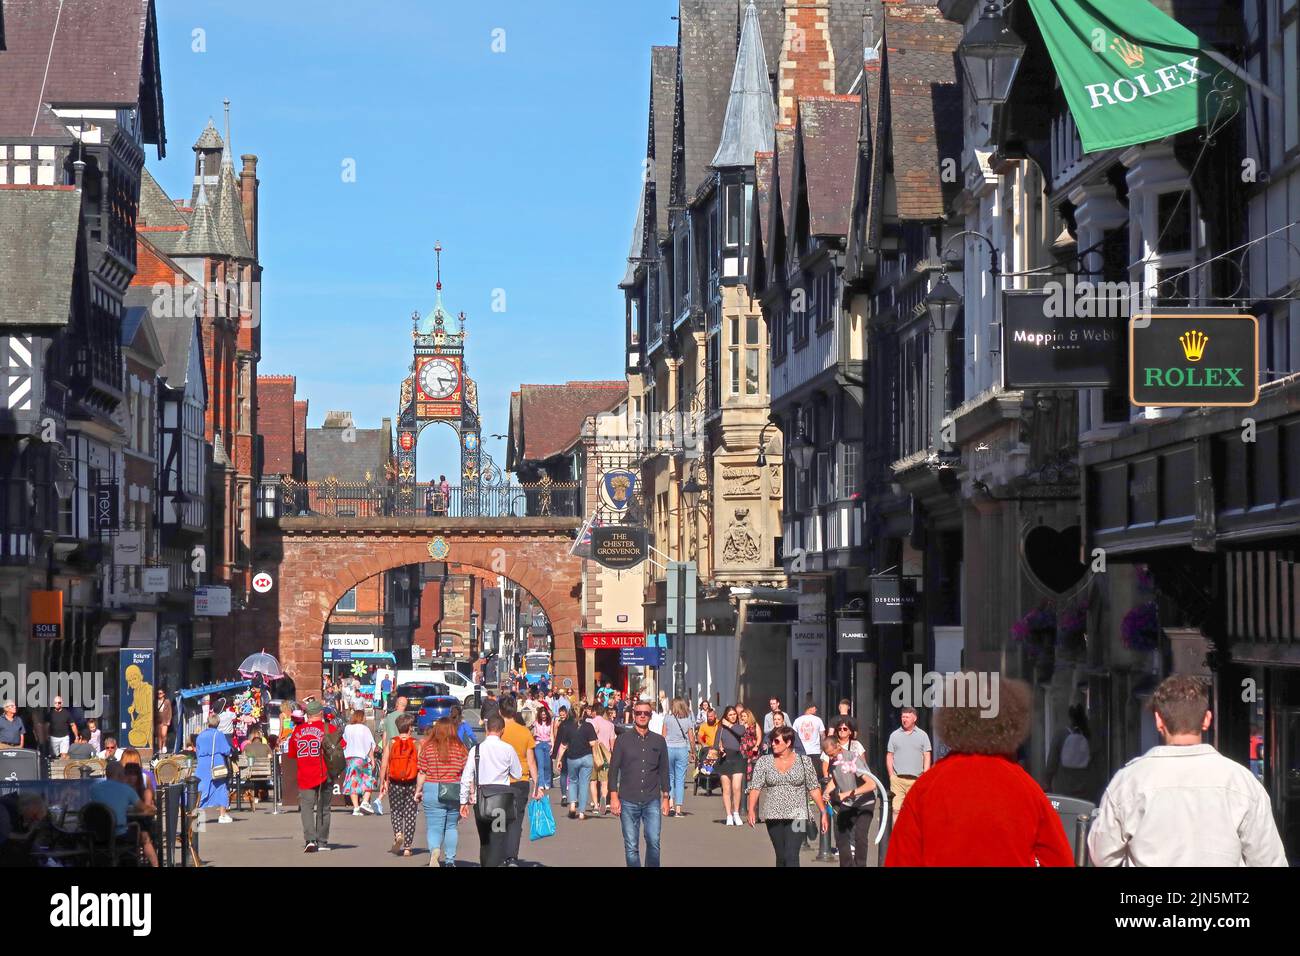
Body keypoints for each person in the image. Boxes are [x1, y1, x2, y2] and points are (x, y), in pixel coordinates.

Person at [1088, 674, 1287, 867]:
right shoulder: (1242, 782)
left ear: (1159, 720)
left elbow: (1102, 856)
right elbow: (1268, 860)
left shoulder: (1128, 782)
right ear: (1207, 719)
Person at [886, 677, 1072, 867]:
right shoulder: (1028, 790)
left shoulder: (926, 788)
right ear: (1010, 726)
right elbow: (1059, 859)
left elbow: (901, 859)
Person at [745, 726, 826, 867]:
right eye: (771, 741)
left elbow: (813, 787)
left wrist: (823, 811)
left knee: (792, 855)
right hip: (773, 815)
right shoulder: (764, 762)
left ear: (788, 743)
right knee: (781, 855)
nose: (772, 744)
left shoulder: (804, 761)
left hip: (798, 814)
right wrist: (751, 809)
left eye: (776, 741)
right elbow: (756, 787)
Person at [609, 700, 670, 867]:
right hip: (628, 800)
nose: (642, 716)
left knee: (654, 841)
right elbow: (613, 770)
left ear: (651, 716)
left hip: (652, 799)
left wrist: (666, 796)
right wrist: (613, 797)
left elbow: (664, 770)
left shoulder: (659, 741)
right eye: (638, 713)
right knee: (631, 846)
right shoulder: (622, 740)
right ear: (633, 715)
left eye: (646, 713)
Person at [460, 714, 522, 868]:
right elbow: (517, 773)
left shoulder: (476, 749)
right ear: (502, 730)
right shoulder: (508, 749)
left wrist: (463, 801)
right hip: (501, 800)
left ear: (487, 729)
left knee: (485, 839)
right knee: (497, 838)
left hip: (481, 799)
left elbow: (467, 776)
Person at [416, 716, 469, 866]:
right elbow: (466, 772)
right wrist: (469, 793)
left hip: (432, 788)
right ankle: (450, 860)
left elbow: (422, 772)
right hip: (454, 788)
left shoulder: (428, 747)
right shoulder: (461, 748)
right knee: (451, 826)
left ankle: (434, 850)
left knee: (434, 826)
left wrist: (418, 790)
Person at [288, 699, 339, 852]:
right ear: (321, 713)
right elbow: (342, 746)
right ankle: (322, 841)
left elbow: (292, 753)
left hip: (305, 773)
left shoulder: (298, 730)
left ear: (307, 714)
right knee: (324, 808)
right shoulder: (329, 728)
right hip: (324, 772)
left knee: (307, 808)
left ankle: (310, 840)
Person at [821, 733, 878, 868]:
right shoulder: (834, 762)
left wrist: (848, 793)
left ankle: (860, 865)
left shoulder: (853, 758)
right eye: (828, 755)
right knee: (841, 835)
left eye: (832, 754)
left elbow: (871, 784)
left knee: (860, 836)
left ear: (838, 746)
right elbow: (835, 779)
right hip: (848, 802)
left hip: (865, 801)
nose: (830, 757)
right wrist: (826, 791)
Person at [497, 697, 539, 866]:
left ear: (500, 711)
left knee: (499, 819)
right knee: (516, 821)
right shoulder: (525, 732)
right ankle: (512, 857)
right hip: (521, 780)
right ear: (515, 711)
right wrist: (536, 783)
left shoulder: (497, 731)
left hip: (500, 781)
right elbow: (531, 761)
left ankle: (499, 855)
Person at [378, 713, 420, 856]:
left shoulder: (392, 742)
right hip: (412, 782)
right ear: (409, 728)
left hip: (394, 782)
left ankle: (398, 834)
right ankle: (407, 847)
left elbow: (384, 764)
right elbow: (420, 766)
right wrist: (421, 787)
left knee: (396, 811)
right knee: (410, 814)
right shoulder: (416, 743)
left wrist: (383, 782)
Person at [886, 707, 931, 823]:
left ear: (914, 718)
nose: (904, 719)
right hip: (898, 780)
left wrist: (925, 776)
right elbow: (889, 755)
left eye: (907, 717)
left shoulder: (923, 735)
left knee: (916, 811)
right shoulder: (894, 735)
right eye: (903, 717)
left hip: (916, 780)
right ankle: (898, 839)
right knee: (896, 810)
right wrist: (891, 775)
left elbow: (927, 755)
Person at [1044, 704, 1097, 801]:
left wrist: (1047, 781)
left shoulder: (1060, 735)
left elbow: (1052, 761)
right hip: (1084, 788)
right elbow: (1095, 761)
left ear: (1069, 717)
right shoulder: (1089, 735)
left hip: (1063, 786)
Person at [554, 704, 598, 820]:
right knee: (584, 784)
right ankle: (582, 812)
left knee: (573, 781)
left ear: (570, 713)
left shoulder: (567, 727)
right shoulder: (588, 726)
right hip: (587, 757)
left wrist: (559, 759)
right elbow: (593, 744)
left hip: (572, 758)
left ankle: (573, 805)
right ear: (583, 713)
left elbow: (563, 745)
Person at [120, 748, 159, 867]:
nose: (131, 777)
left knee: (142, 835)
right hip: (127, 820)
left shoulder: (144, 787)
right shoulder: (122, 788)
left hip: (142, 820)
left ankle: (155, 864)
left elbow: (148, 808)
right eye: (128, 774)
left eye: (133, 774)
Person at [89, 760, 145, 838]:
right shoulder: (127, 789)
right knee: (143, 833)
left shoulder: (94, 788)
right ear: (120, 774)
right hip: (119, 834)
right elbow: (143, 808)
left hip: (98, 836)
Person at [194, 715, 233, 824]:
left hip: (202, 764)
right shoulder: (219, 734)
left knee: (201, 789)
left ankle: (196, 815)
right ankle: (222, 815)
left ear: (208, 723)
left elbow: (197, 751)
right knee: (221, 788)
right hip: (217, 764)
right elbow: (226, 750)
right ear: (218, 723)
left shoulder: (200, 735)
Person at [715, 705, 748, 826]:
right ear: (726, 716)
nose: (733, 716)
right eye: (730, 715)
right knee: (727, 789)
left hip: (737, 758)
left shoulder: (739, 726)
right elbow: (715, 744)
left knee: (737, 787)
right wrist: (719, 748)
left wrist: (729, 725)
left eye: (734, 714)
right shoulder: (721, 729)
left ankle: (736, 813)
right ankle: (729, 815)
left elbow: (741, 732)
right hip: (724, 759)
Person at [663, 698, 696, 817]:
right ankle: (678, 808)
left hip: (668, 749)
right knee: (680, 779)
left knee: (670, 777)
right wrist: (693, 752)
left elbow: (663, 736)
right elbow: (691, 738)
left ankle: (670, 803)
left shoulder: (667, 718)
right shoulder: (687, 720)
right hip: (682, 749)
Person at [342, 709, 377, 815]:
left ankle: (356, 808)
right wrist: (372, 759)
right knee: (368, 780)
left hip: (350, 758)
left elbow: (344, 742)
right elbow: (369, 745)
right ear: (361, 717)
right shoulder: (364, 728)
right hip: (361, 758)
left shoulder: (347, 728)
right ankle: (365, 802)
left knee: (353, 782)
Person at [588, 705, 617, 815]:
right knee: (604, 781)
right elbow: (612, 744)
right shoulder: (610, 725)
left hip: (593, 754)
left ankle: (595, 805)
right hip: (605, 755)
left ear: (594, 711)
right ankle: (604, 797)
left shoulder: (591, 722)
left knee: (593, 781)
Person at [792, 703, 825, 779]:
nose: (816, 710)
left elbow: (793, 736)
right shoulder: (818, 720)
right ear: (811, 708)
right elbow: (823, 735)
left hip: (800, 752)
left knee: (801, 777)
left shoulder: (797, 720)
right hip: (815, 752)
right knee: (815, 777)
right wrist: (823, 749)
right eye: (815, 708)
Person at [532, 705, 554, 792]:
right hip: (539, 744)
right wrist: (535, 736)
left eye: (545, 715)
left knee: (547, 765)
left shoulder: (550, 723)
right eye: (542, 715)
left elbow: (552, 734)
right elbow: (534, 733)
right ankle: (541, 783)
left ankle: (547, 782)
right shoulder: (536, 722)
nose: (543, 716)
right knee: (540, 765)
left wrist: (552, 746)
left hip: (548, 743)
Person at [156, 689, 172, 754]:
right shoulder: (156, 701)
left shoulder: (167, 701)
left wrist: (169, 720)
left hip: (165, 720)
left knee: (164, 734)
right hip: (158, 720)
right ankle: (159, 749)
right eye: (158, 693)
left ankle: (164, 746)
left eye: (160, 693)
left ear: (163, 694)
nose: (159, 694)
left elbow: (170, 711)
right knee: (159, 735)